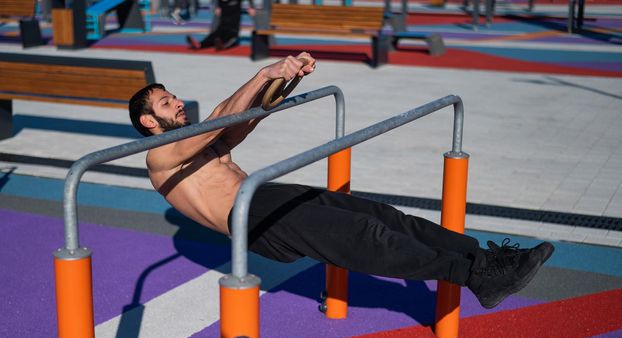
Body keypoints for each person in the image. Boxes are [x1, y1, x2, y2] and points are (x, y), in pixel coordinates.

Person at [128, 53, 554, 309]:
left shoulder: (195, 141)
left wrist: (283, 78)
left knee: (387, 217)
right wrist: (260, 75)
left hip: (266, 193)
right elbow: (220, 121)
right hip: (252, 218)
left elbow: (236, 122)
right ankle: (473, 276)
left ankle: (486, 261)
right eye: (168, 102)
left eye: (174, 96)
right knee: (365, 235)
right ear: (150, 121)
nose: (179, 102)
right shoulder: (160, 155)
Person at [185, 0, 255, 50]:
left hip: (233, 29)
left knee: (230, 38)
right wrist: (217, 7)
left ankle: (222, 45)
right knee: (213, 35)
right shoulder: (220, 2)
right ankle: (200, 44)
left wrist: (251, 7)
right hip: (222, 27)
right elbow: (216, 4)